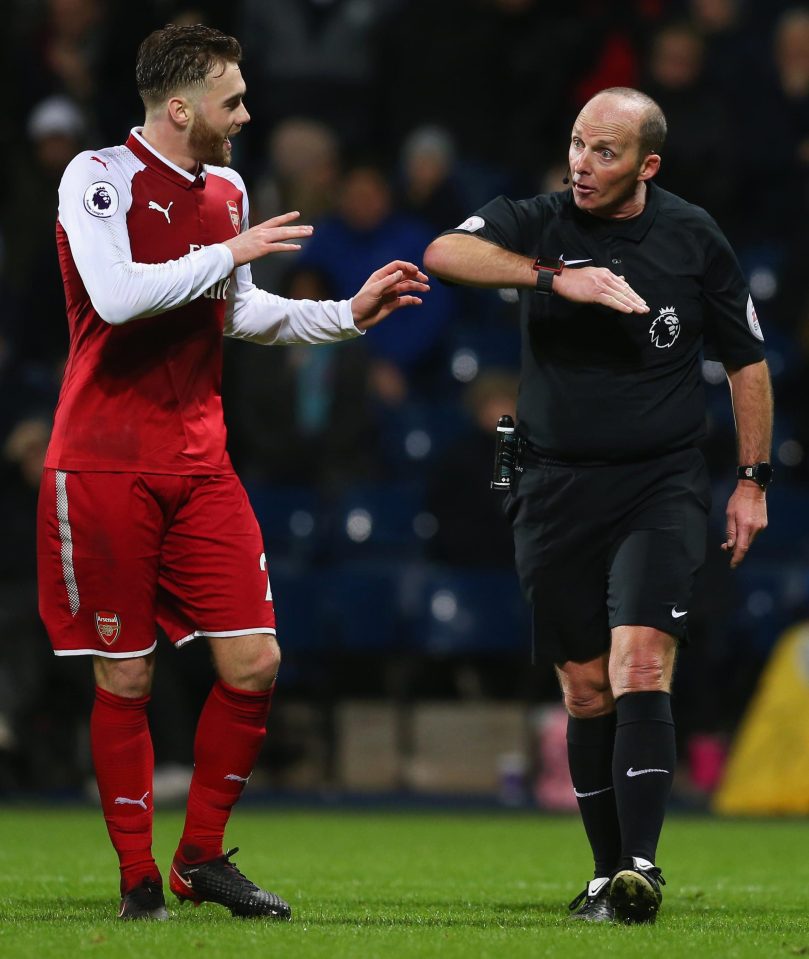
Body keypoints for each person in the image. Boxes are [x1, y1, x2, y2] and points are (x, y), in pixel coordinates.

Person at [37, 23, 428, 922]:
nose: (247, 114)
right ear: (180, 109)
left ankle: (200, 855)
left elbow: (239, 312)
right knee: (125, 679)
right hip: (102, 462)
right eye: (233, 100)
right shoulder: (96, 175)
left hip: (200, 464)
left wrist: (348, 312)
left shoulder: (228, 188)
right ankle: (138, 874)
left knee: (254, 663)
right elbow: (117, 297)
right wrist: (227, 257)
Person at [423, 86, 772, 925]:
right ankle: (603, 871)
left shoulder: (692, 237)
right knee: (584, 688)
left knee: (641, 662)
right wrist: (556, 279)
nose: (583, 162)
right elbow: (443, 253)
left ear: (646, 163)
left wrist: (751, 479)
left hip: (659, 481)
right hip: (549, 483)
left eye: (605, 151)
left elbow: (746, 363)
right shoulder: (537, 220)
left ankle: (642, 867)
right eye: (578, 143)